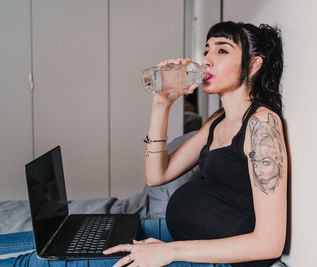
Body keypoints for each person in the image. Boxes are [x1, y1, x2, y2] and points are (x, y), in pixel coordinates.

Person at [0, 21, 287, 267]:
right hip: (184, 238)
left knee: (34, 262)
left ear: (253, 65)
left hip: (216, 258)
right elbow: (156, 175)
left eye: (222, 50)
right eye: (206, 51)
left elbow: (268, 244)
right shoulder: (217, 121)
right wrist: (161, 104)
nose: (207, 60)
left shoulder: (262, 124)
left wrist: (168, 251)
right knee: (49, 238)